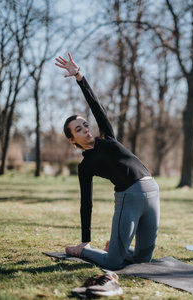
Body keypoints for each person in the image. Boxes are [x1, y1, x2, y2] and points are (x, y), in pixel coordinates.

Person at [55, 53, 160, 270]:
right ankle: (85, 252)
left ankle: (115, 247)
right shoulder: (85, 166)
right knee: (113, 263)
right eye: (78, 129)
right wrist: (85, 241)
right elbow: (87, 203)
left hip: (153, 192)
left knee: (143, 259)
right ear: (72, 140)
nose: (86, 129)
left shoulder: (108, 138)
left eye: (85, 125)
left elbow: (96, 106)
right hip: (129, 198)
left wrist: (79, 76)